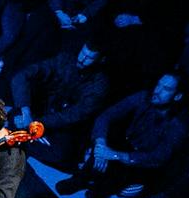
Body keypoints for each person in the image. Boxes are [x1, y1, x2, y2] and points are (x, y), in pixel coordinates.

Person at [55, 70, 189, 198]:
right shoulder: (144, 97)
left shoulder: (178, 124)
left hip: (145, 165)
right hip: (128, 145)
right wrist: (101, 144)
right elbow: (107, 116)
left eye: (166, 89)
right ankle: (82, 179)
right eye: (158, 85)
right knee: (109, 138)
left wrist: (115, 155)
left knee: (119, 167)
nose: (157, 91)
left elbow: (158, 157)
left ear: (177, 96)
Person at [8, 36, 114, 168]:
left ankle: (23, 137)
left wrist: (36, 123)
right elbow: (22, 76)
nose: (82, 59)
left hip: (62, 123)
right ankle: (27, 136)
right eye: (82, 53)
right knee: (14, 115)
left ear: (99, 60)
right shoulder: (65, 60)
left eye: (89, 58)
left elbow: (73, 115)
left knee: (62, 155)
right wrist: (26, 112)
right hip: (44, 108)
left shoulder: (100, 85)